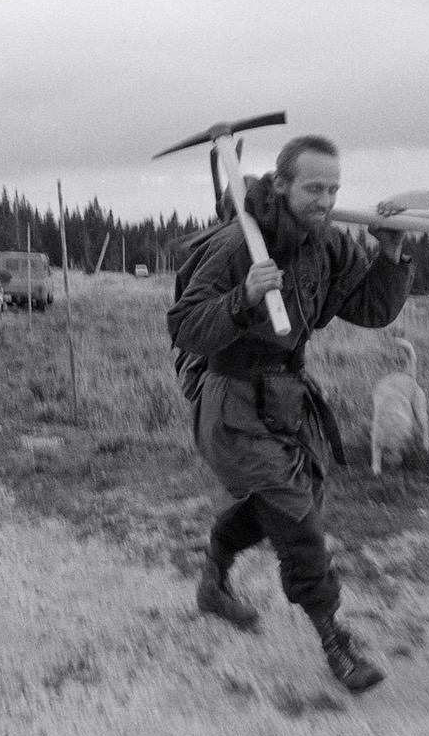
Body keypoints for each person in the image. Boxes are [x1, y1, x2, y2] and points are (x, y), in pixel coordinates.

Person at [166, 135, 413, 695]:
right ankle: (334, 640)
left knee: (287, 504)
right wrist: (243, 298)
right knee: (297, 517)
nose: (325, 200)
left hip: (288, 397)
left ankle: (213, 575)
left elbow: (372, 308)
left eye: (333, 188)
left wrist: (390, 254)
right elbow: (185, 328)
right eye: (313, 187)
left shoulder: (329, 246)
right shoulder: (236, 247)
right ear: (281, 184)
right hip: (229, 399)